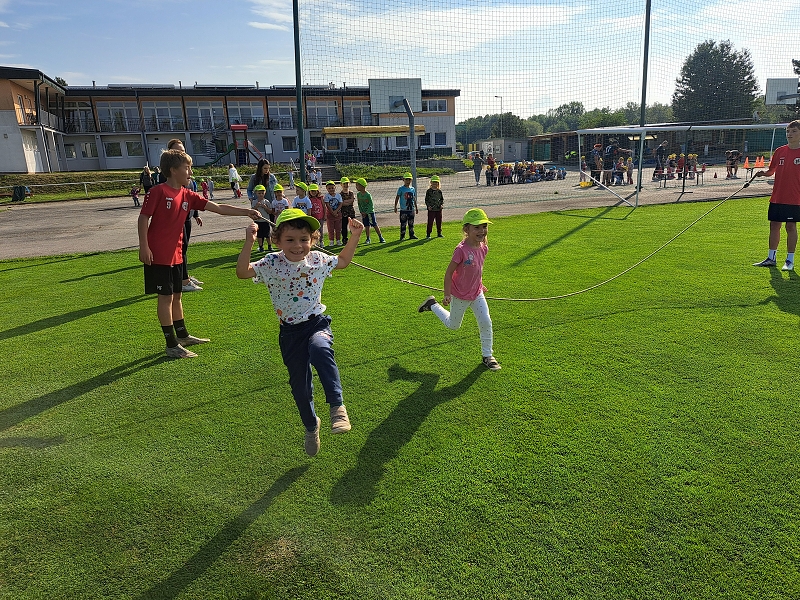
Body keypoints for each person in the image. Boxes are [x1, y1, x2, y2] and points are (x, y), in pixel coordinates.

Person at [235, 208, 365, 456]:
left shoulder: (317, 259)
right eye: (290, 240)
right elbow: (242, 272)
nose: (298, 246)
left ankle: (337, 407)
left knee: (320, 349)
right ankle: (310, 425)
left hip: (316, 323)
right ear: (277, 240)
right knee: (300, 388)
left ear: (313, 240)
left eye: (304, 239)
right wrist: (249, 242)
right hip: (290, 334)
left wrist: (355, 236)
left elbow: (344, 262)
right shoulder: (272, 263)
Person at [137, 149, 261, 358]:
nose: (190, 172)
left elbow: (219, 207)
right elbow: (143, 219)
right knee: (165, 298)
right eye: (187, 168)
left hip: (176, 254)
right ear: (173, 170)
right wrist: (144, 246)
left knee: (177, 296)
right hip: (158, 255)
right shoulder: (158, 192)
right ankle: (171, 344)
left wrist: (246, 212)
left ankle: (183, 335)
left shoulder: (187, 194)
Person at [417, 208, 501, 371]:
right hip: (460, 295)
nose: (482, 230)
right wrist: (447, 294)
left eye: (484, 226)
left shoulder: (484, 247)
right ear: (466, 230)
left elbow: (477, 269)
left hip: (477, 293)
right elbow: (449, 273)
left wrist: (479, 284)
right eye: (476, 227)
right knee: (453, 325)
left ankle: (487, 356)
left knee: (486, 321)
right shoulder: (461, 250)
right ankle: (432, 304)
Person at [753, 120, 800, 271]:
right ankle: (771, 258)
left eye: (793, 131)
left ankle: (789, 261)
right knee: (774, 225)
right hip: (777, 196)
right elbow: (771, 171)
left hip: (794, 198)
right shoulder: (780, 151)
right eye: (788, 131)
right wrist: (763, 174)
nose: (789, 134)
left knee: (790, 226)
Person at [355, 177, 385, 244]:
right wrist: (361, 212)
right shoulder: (358, 194)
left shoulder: (368, 195)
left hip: (369, 213)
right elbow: (359, 204)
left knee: (374, 224)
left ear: (362, 186)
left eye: (357, 185)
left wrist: (366, 212)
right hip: (363, 213)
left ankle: (380, 237)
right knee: (366, 225)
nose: (356, 187)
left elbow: (370, 205)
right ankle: (368, 238)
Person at [394, 172, 418, 240]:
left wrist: (416, 207)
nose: (408, 181)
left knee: (411, 223)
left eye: (409, 180)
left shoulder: (412, 189)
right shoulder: (401, 189)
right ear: (403, 180)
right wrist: (395, 206)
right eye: (406, 179)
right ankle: (402, 236)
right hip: (404, 210)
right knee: (403, 224)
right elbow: (397, 197)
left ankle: (411, 235)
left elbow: (414, 198)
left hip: (411, 210)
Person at [252, 184, 274, 253]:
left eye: (262, 193)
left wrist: (265, 207)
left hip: (265, 220)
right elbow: (252, 210)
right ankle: (261, 247)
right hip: (258, 221)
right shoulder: (254, 201)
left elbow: (270, 211)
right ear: (256, 193)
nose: (261, 195)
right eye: (259, 193)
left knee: (267, 234)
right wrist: (256, 206)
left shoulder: (266, 201)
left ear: (264, 193)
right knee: (259, 235)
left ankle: (270, 246)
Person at [323, 180, 343, 246]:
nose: (331, 189)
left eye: (332, 188)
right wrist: (333, 212)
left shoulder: (338, 195)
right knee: (330, 229)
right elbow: (327, 205)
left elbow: (340, 204)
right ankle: (331, 240)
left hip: (338, 214)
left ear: (335, 187)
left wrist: (336, 211)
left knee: (338, 228)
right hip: (330, 215)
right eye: (329, 188)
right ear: (327, 189)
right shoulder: (326, 196)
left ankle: (338, 240)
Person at [339, 177, 356, 244]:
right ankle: (344, 239)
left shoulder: (351, 193)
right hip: (344, 213)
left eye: (347, 183)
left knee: (353, 225)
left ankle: (354, 238)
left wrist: (346, 202)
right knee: (344, 227)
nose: (346, 185)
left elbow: (352, 201)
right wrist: (346, 202)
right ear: (341, 184)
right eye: (344, 183)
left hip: (351, 212)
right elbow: (342, 203)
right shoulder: (340, 194)